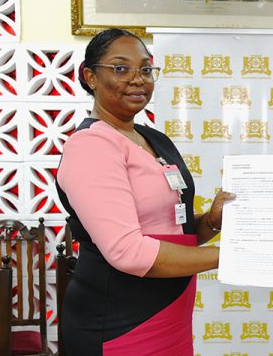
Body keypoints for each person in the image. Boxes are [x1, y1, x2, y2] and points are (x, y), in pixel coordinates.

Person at [56, 28, 234, 355]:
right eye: (121, 68)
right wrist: (234, 258)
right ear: (90, 76)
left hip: (171, 308)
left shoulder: (154, 139)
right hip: (120, 320)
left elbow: (173, 228)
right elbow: (127, 251)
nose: (138, 79)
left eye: (146, 69)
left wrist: (211, 221)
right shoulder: (92, 146)